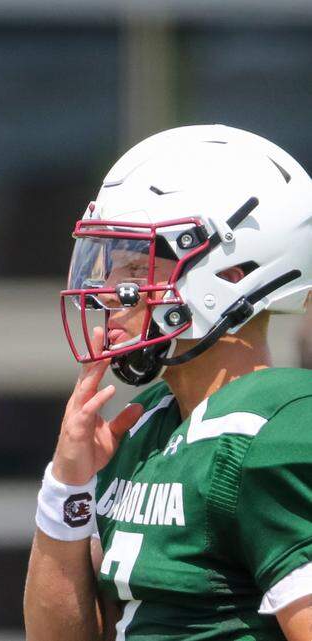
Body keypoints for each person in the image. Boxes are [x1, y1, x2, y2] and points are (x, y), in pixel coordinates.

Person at [25, 124, 312, 640]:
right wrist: (66, 489)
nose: (108, 292)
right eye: (107, 264)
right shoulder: (146, 428)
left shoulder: (276, 429)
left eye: (134, 265)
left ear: (230, 275)